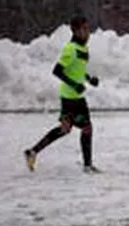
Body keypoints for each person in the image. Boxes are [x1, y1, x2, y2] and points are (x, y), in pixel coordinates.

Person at [23, 15, 101, 174]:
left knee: (65, 129)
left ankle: (32, 152)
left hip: (72, 97)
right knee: (87, 127)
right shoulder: (70, 48)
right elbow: (57, 71)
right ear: (76, 31)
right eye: (84, 29)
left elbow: (77, 69)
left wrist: (88, 79)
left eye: (88, 29)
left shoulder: (83, 49)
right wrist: (75, 85)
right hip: (72, 98)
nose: (88, 33)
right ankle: (87, 166)